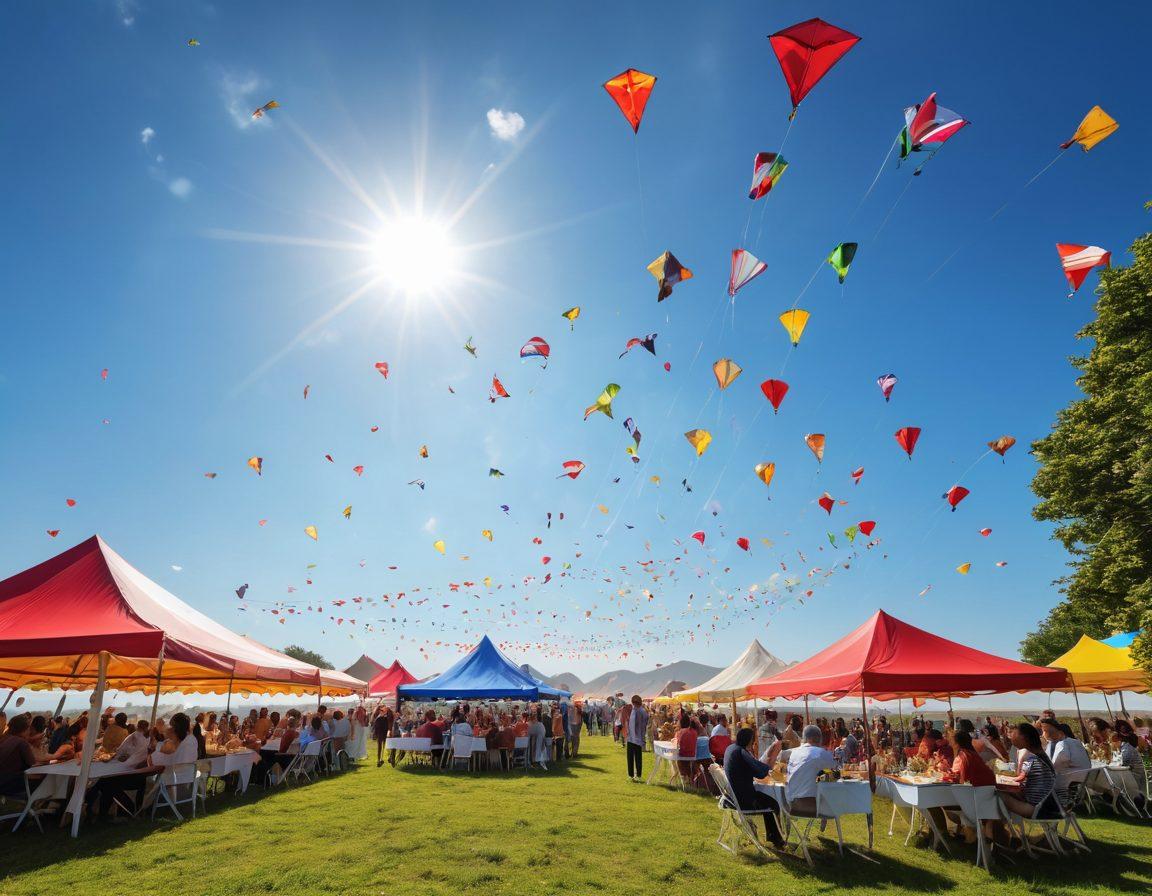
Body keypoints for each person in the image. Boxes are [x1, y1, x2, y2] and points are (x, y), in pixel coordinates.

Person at [722, 727, 785, 848]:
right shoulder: (741, 752)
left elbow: (755, 764)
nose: (754, 742)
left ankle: (774, 837)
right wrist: (768, 769)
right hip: (745, 800)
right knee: (773, 804)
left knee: (768, 802)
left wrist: (766, 767)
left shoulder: (731, 748)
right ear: (749, 740)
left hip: (732, 796)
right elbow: (759, 773)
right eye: (753, 740)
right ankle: (777, 839)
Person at [1001, 723, 1059, 819]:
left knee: (997, 794)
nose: (1012, 737)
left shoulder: (1032, 759)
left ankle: (990, 830)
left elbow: (1019, 781)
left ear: (1024, 738)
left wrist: (1001, 779)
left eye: (1015, 733)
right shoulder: (1042, 757)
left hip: (1037, 809)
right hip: (1048, 806)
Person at [785, 725, 839, 816]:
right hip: (814, 806)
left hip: (791, 805)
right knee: (832, 777)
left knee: (820, 777)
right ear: (819, 739)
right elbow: (835, 771)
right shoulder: (822, 753)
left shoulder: (794, 753)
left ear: (804, 738)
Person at [0, 715, 37, 798]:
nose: (29, 731)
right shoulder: (22, 743)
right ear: (23, 729)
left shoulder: (4, 738)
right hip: (7, 784)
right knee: (44, 777)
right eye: (28, 729)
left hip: (3, 780)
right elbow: (33, 764)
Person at [625, 695, 648, 781]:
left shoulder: (635, 711)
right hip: (637, 737)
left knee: (631, 757)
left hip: (632, 737)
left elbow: (632, 724)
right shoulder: (643, 711)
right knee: (638, 757)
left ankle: (632, 775)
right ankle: (638, 775)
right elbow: (645, 724)